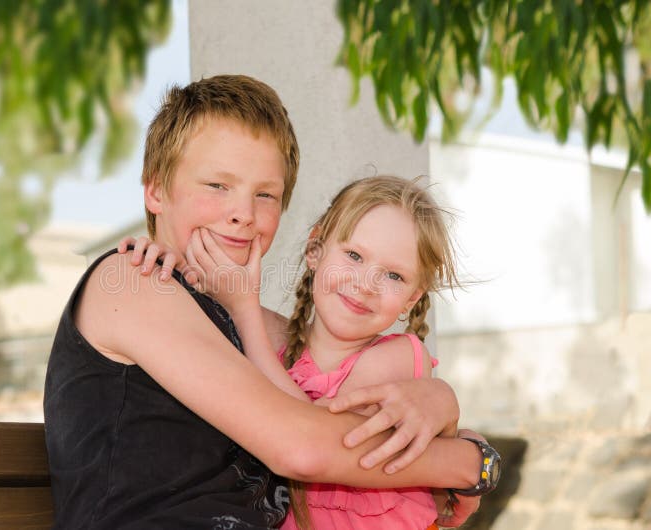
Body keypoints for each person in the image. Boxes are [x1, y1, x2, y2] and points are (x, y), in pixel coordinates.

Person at [44, 74, 487, 530]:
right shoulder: (131, 280)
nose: (243, 213)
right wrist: (470, 463)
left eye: (265, 195)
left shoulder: (251, 322)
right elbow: (302, 447)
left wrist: (442, 402)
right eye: (218, 185)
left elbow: (347, 407)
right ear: (156, 190)